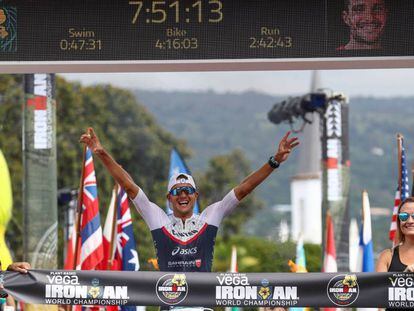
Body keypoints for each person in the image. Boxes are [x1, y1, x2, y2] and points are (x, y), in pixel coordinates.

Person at [80, 127, 299, 272]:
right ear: (169, 198)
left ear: (196, 195)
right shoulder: (158, 219)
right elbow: (128, 185)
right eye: (177, 191)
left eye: (187, 190)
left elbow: (244, 189)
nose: (183, 195)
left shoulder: (210, 216)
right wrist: (101, 153)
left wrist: (274, 161)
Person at [376, 197, 414, 273]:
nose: (409, 221)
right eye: (404, 216)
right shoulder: (387, 257)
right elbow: (378, 284)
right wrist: (404, 276)